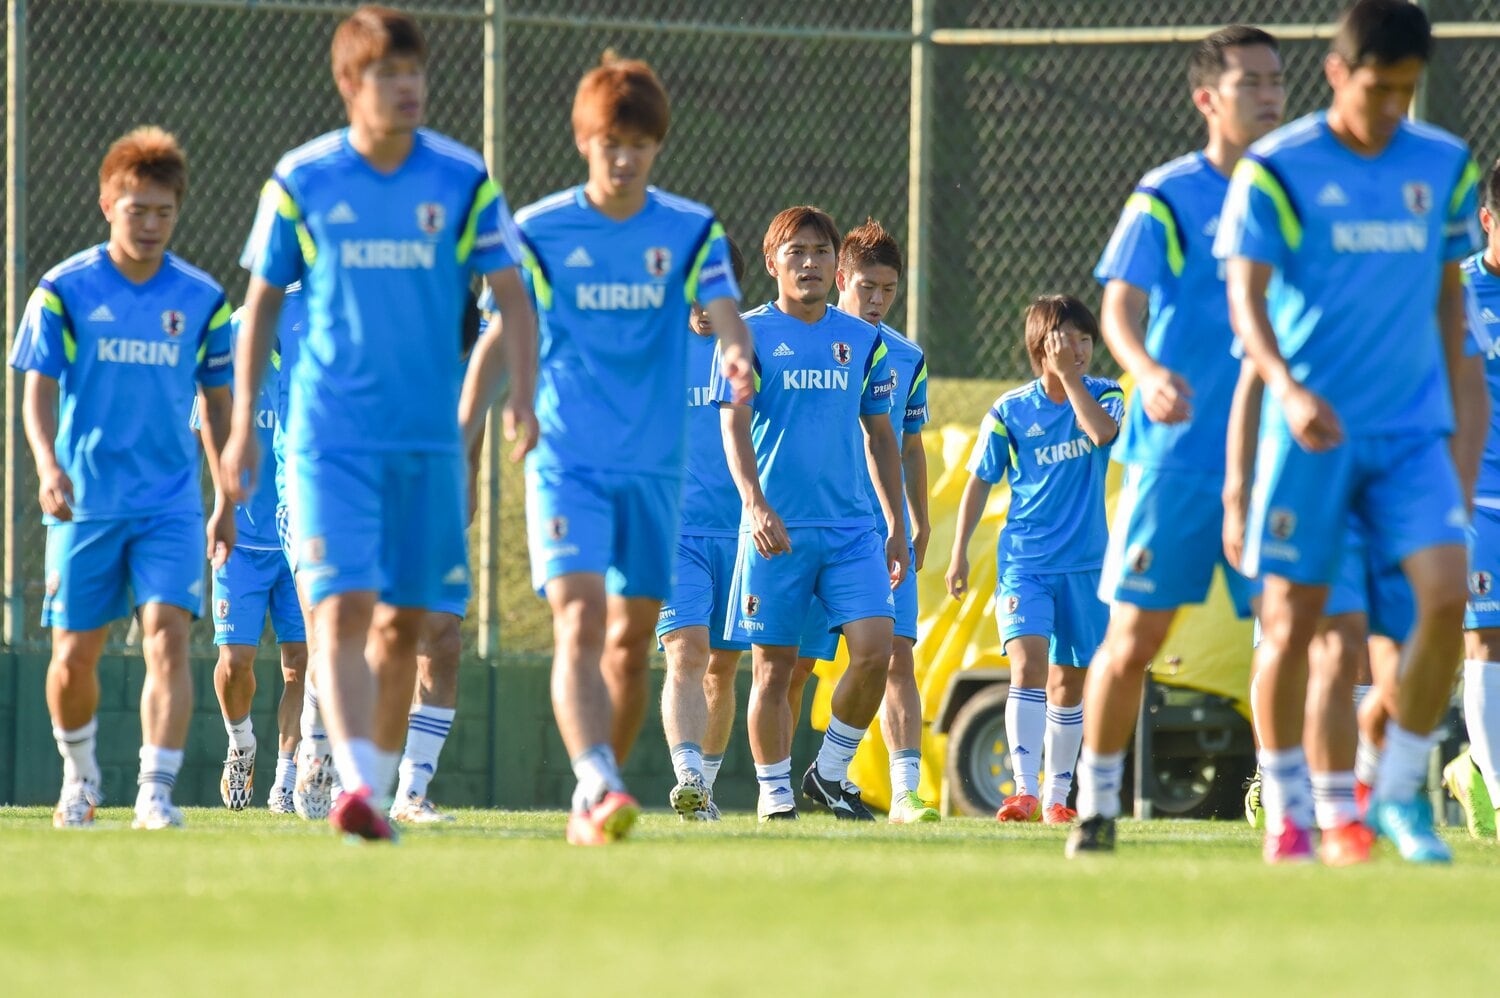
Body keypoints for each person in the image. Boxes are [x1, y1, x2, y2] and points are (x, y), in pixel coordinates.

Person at [227, 4, 538, 842]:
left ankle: (377, 777)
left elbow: (511, 295)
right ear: (347, 84)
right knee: (339, 607)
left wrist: (522, 393)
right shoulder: (302, 180)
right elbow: (257, 310)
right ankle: (361, 788)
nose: (406, 89)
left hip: (429, 440)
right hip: (330, 439)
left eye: (415, 74)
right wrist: (242, 432)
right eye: (385, 76)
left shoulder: (463, 178)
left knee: (407, 621)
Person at [1215, 0, 1484, 863]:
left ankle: (1397, 785)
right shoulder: (1279, 169)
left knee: (1448, 599)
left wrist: (1451, 424)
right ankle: (1299, 808)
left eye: (1408, 91)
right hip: (1313, 437)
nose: (1392, 108)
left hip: (1410, 438)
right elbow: (1246, 305)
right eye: (1378, 89)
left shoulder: (1444, 166)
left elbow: (1450, 296)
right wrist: (1288, 389)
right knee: (1297, 628)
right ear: (1337, 74)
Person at [513, 55, 752, 845]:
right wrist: (494, 409)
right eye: (612, 141)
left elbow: (723, 302)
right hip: (567, 458)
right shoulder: (541, 230)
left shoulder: (689, 229)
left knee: (627, 642)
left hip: (655, 469)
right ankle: (599, 779)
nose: (625, 157)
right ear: (585, 139)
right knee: (579, 620)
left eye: (641, 143)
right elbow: (504, 326)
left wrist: (740, 351)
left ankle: (596, 793)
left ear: (658, 148)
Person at [1067, 24, 1285, 856]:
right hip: (1178, 457)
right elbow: (1119, 306)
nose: (1270, 94)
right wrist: (1147, 369)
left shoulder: (1298, 188)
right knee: (1134, 640)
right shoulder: (1166, 194)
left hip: (1276, 454)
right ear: (1207, 98)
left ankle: (1290, 802)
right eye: (1251, 82)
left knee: (1294, 631)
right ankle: (1094, 802)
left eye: (1277, 79)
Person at [10, 125, 234, 830]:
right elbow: (37, 391)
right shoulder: (63, 290)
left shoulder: (202, 298)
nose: (151, 223)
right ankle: (79, 778)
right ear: (108, 201)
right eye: (137, 208)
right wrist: (47, 465)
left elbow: (220, 403)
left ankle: (155, 792)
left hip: (169, 503)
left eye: (164, 211)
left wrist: (225, 496)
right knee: (75, 655)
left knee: (168, 634)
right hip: (84, 502)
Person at [719, 205, 908, 822]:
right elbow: (734, 421)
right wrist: (753, 503)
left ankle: (828, 772)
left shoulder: (864, 340)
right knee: (774, 670)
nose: (809, 263)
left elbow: (883, 435)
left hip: (854, 531)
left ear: (836, 265)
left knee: (876, 650)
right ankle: (774, 792)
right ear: (772, 262)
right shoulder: (746, 334)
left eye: (821, 253)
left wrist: (897, 524)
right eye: (795, 252)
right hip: (778, 532)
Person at [948, 296, 1123, 827]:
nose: (1077, 349)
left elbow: (1101, 434)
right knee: (1028, 663)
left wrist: (1070, 381)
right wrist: (958, 552)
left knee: (1070, 681)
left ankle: (1057, 798)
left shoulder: (1106, 394)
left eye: (1085, 340)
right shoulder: (1009, 411)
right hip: (1026, 562)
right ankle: (1022, 791)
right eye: (1063, 340)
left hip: (1087, 565)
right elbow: (979, 481)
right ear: (1038, 348)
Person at [796, 218, 937, 824]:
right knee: (791, 662)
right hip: (809, 523)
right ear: (839, 279)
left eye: (888, 289)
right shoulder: (799, 339)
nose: (877, 300)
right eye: (867, 287)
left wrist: (917, 518)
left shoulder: (907, 357)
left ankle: (903, 790)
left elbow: (908, 444)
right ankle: (770, 785)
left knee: (896, 654)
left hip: (879, 534)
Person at [195, 290, 309, 813]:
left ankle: (287, 780)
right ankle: (240, 743)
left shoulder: (331, 316)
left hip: (303, 531)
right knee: (235, 662)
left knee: (301, 664)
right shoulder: (238, 328)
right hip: (242, 537)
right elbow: (208, 424)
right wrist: (224, 499)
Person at [657, 236, 749, 822]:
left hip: (742, 533)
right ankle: (687, 771)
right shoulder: (654, 346)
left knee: (724, 665)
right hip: (675, 534)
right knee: (686, 654)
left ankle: (703, 794)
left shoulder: (753, 348)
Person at [1446, 175, 1500, 840]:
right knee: (1484, 637)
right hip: (1474, 496)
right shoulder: (1450, 291)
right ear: (1488, 218)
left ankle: (1470, 767)